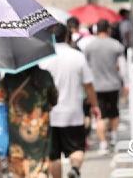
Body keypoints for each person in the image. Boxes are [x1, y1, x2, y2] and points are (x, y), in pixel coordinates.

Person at [40, 24, 100, 178]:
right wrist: (95, 105)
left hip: (50, 115)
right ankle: (74, 169)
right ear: (67, 36)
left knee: (53, 156)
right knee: (77, 149)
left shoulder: (44, 58)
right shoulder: (77, 56)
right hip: (73, 113)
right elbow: (89, 85)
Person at [0, 65, 57, 178]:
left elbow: (0, 97)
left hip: (16, 132)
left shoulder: (8, 77)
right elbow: (54, 99)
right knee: (40, 167)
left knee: (18, 170)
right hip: (40, 131)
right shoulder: (45, 76)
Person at [84, 19, 126, 154]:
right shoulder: (116, 45)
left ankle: (103, 143)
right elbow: (122, 66)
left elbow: (86, 66)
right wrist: (125, 83)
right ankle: (113, 136)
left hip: (96, 86)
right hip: (113, 84)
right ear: (108, 29)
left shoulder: (90, 46)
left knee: (100, 115)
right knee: (114, 111)